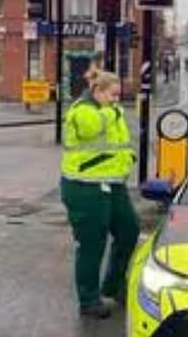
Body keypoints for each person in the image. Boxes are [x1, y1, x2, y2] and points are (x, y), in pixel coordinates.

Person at [59, 71, 139, 318]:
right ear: (98, 91)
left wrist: (129, 157)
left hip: (112, 184)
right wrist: (113, 111)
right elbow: (91, 129)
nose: (116, 100)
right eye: (112, 94)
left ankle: (113, 285)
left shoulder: (109, 110)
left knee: (129, 230)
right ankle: (89, 299)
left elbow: (115, 143)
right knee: (92, 243)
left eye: (118, 95)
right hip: (85, 187)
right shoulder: (82, 110)